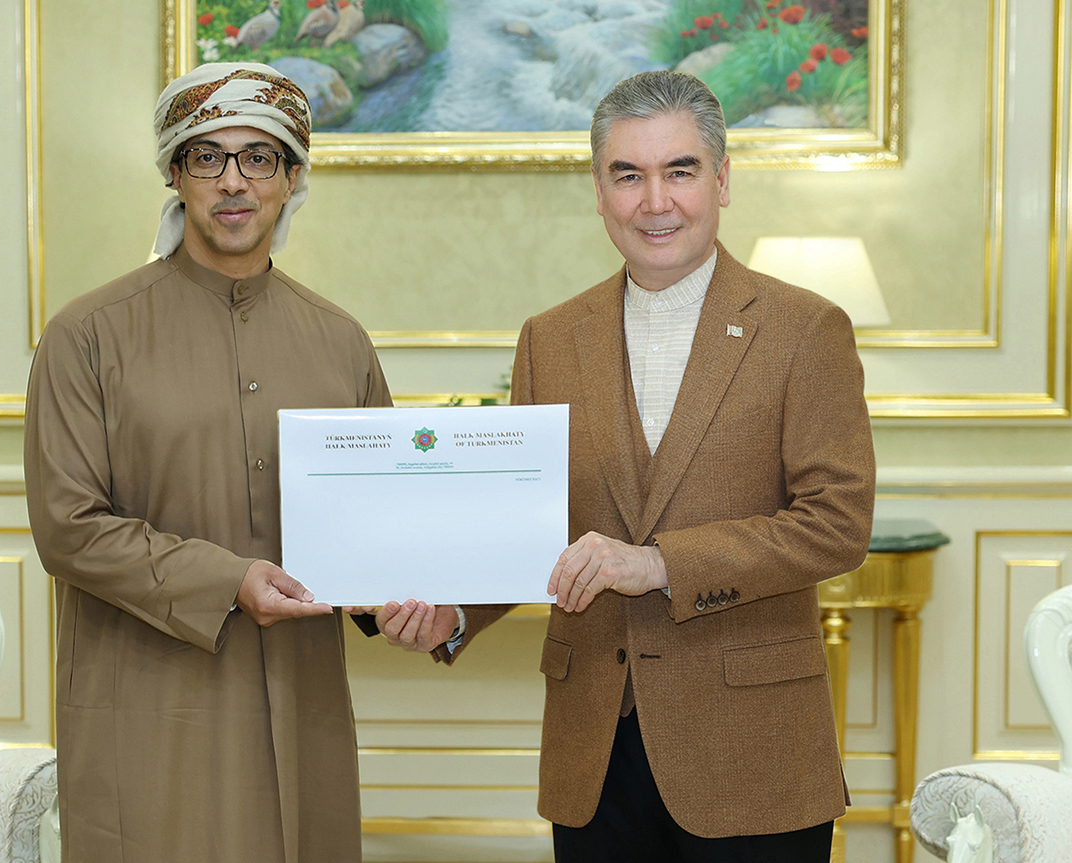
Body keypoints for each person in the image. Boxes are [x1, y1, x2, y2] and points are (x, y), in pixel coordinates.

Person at [372, 70, 876, 862]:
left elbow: (835, 525)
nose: (655, 201)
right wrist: (455, 612)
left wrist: (659, 563)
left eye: (679, 170)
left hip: (753, 755)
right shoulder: (549, 338)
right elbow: (532, 525)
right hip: (594, 754)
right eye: (628, 175)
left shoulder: (804, 329)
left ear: (722, 180)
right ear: (599, 192)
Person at [23, 62, 391, 863]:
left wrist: (403, 590)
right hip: (147, 710)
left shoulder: (341, 342)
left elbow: (376, 524)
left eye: (259, 157)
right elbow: (67, 527)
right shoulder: (86, 335)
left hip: (302, 701)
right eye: (207, 156)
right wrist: (229, 578)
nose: (233, 181)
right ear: (174, 174)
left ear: (292, 178)